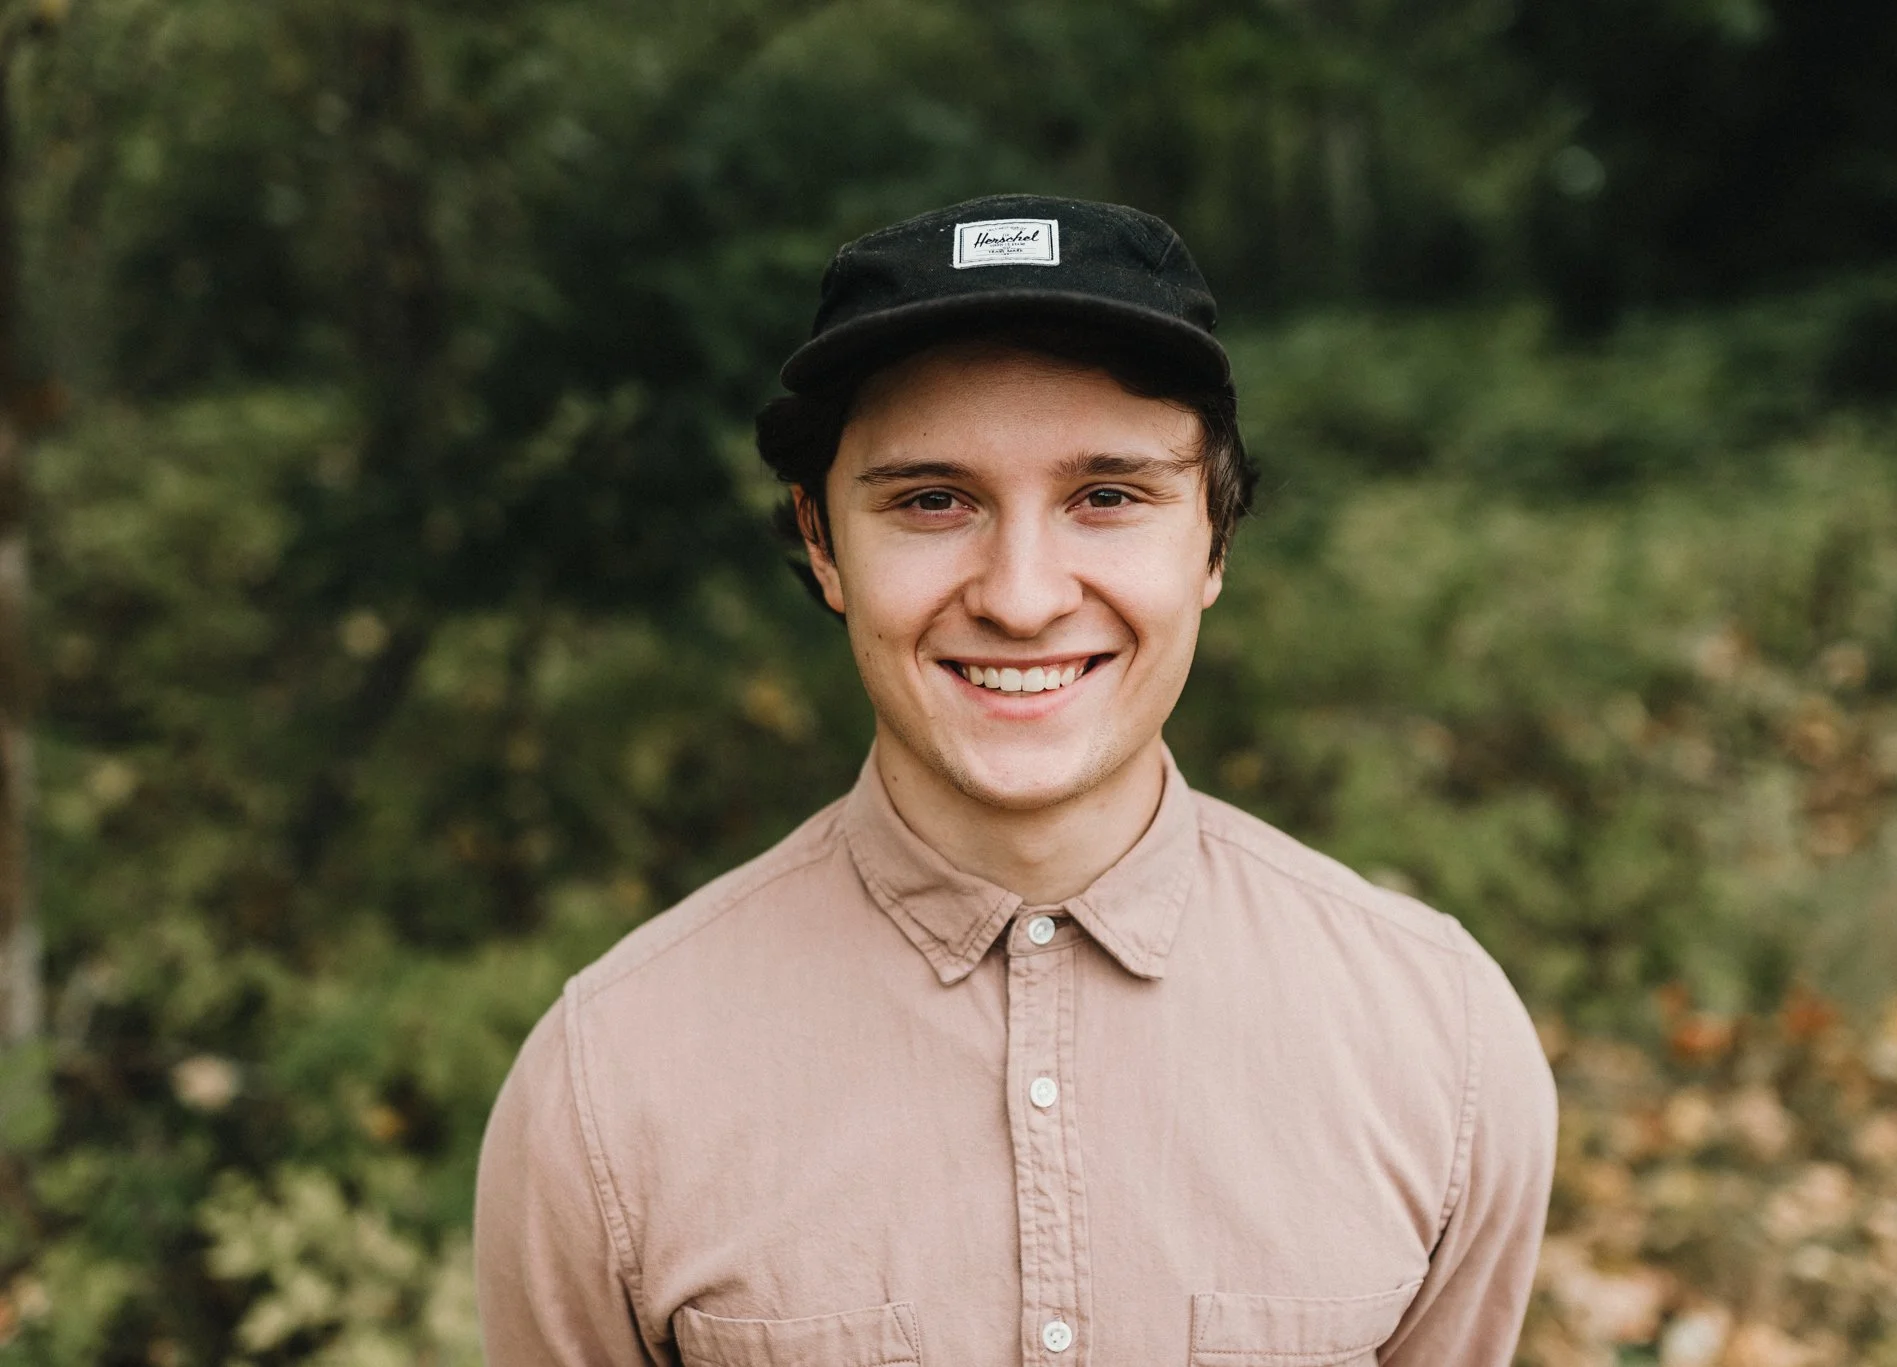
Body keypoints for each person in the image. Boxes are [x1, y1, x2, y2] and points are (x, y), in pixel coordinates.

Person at [475, 193, 1557, 1366]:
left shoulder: (1440, 1044)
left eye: (1107, 496)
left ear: (1213, 537)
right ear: (823, 540)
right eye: (933, 500)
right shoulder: (609, 1078)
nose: (1023, 594)